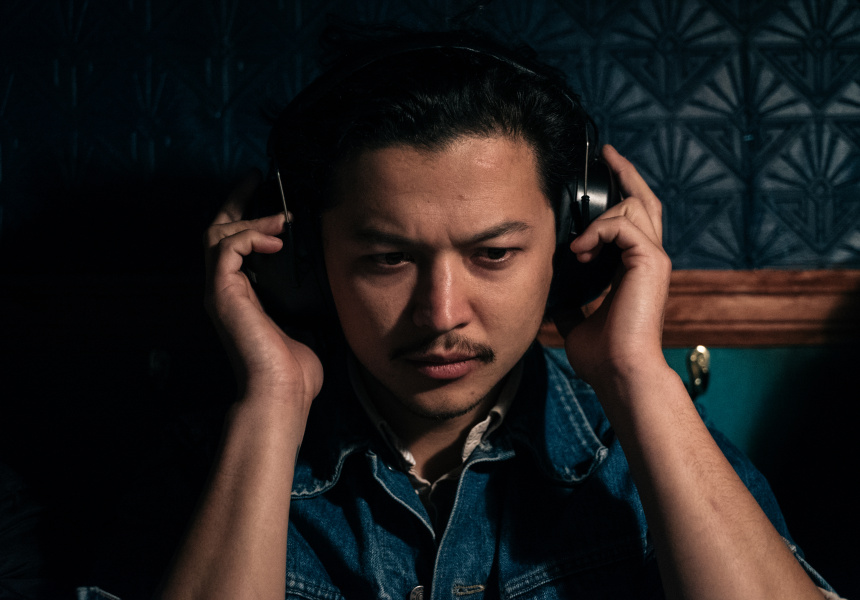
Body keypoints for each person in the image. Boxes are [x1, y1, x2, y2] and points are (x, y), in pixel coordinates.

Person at [158, 28, 839, 600]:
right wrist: (273, 402)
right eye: (388, 259)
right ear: (306, 257)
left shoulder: (651, 445)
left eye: (494, 254)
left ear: (572, 247)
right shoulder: (214, 461)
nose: (441, 314)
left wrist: (633, 375)